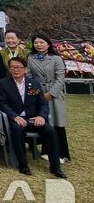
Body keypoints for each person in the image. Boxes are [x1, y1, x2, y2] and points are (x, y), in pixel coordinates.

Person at [0, 56, 66, 178]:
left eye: (18, 67)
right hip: (16, 119)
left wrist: (41, 116)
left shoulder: (34, 84)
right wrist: (15, 117)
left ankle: (56, 167)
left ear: (25, 69)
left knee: (50, 130)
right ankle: (23, 165)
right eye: (12, 67)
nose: (15, 70)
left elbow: (43, 103)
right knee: (17, 130)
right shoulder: (3, 83)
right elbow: (2, 103)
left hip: (34, 118)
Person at [28, 32, 70, 162]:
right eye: (36, 43)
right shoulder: (31, 58)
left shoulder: (56, 59)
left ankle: (61, 154)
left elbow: (60, 78)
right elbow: (29, 76)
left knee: (57, 123)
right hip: (37, 91)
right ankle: (46, 151)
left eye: (42, 42)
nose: (39, 45)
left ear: (48, 43)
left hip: (54, 93)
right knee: (43, 122)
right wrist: (35, 92)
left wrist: (51, 93)